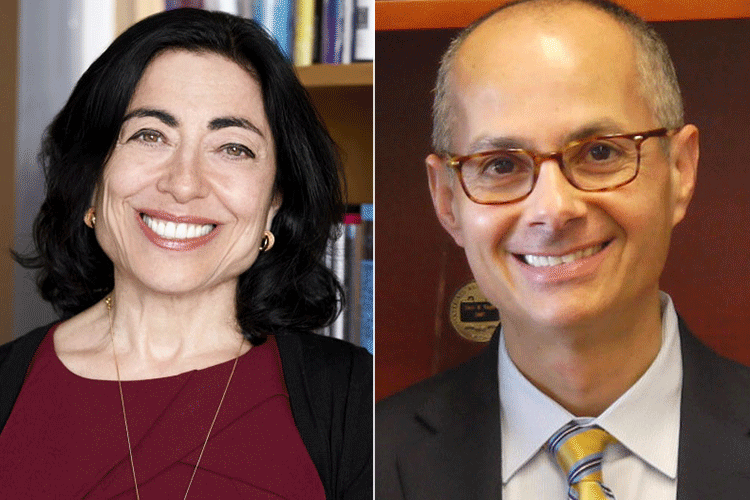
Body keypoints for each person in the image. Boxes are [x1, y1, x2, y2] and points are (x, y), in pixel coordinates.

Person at [376, 1, 750, 499]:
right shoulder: (365, 459)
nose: (553, 211)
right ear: (447, 200)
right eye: (501, 164)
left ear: (680, 171)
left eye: (600, 152)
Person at [0, 8, 371, 499]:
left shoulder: (355, 400)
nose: (184, 183)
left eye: (233, 148)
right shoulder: (7, 384)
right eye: (150, 135)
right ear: (92, 179)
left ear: (273, 203)